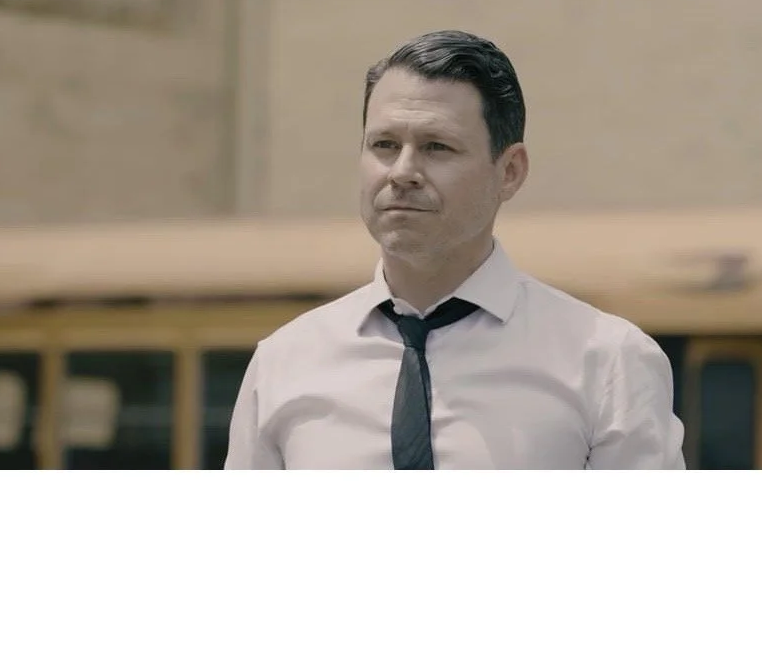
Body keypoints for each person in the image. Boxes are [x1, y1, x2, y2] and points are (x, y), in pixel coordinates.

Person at [225, 30, 685, 469]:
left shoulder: (607, 364)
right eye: (384, 144)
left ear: (509, 171)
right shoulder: (284, 362)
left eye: (436, 147)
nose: (402, 172)